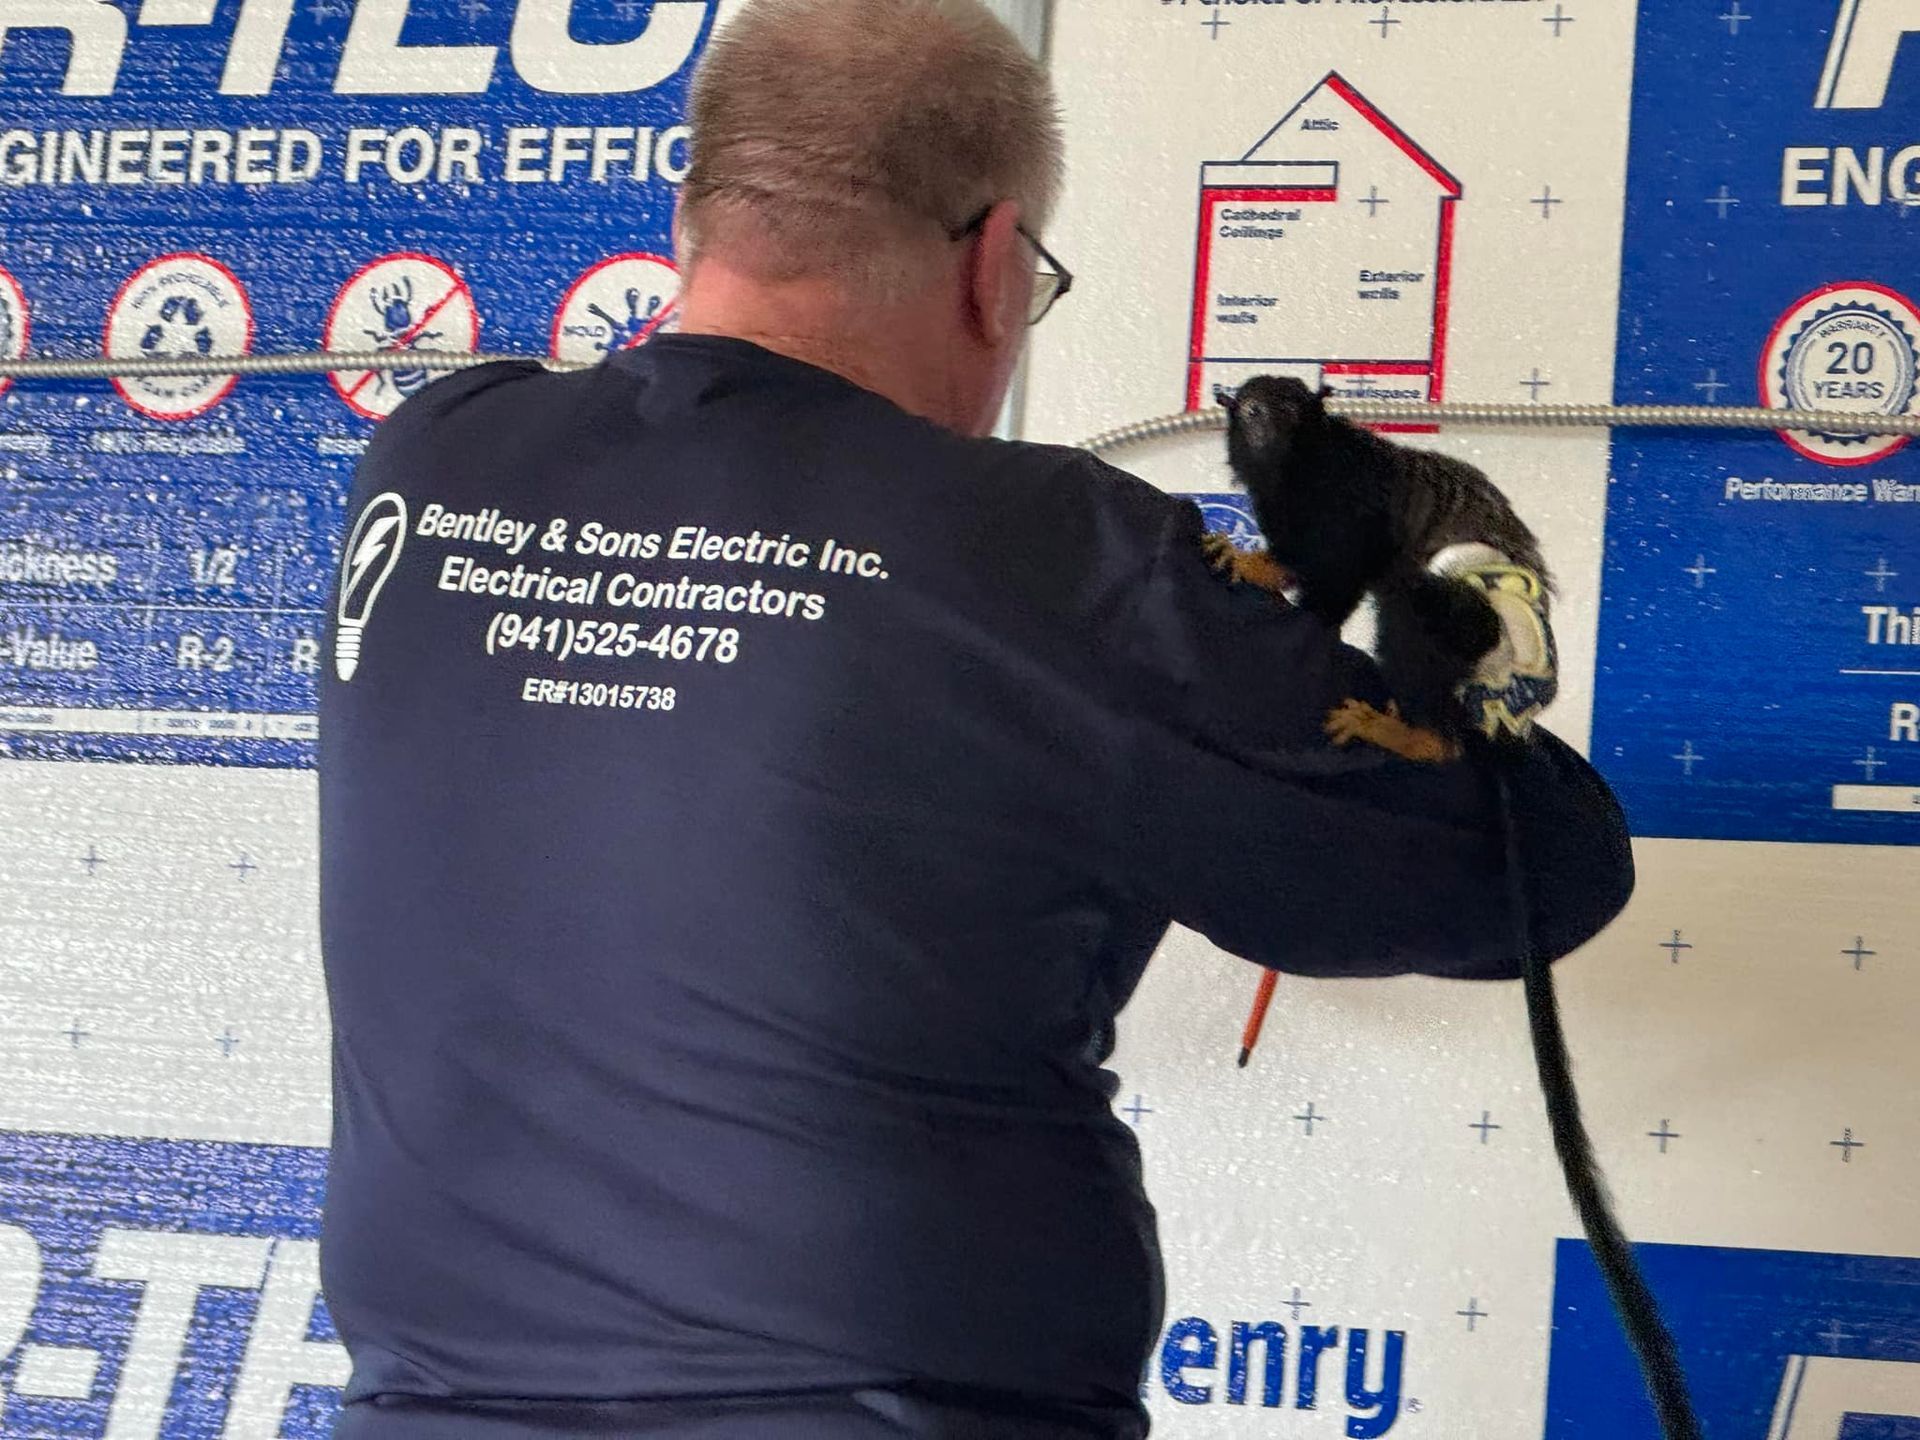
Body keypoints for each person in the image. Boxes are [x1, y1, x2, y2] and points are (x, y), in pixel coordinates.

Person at [315, 0, 1633, 1436]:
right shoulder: (1054, 557)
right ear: (998, 268)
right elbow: (1526, 871)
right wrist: (1437, 585)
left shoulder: (440, 455)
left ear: (695, 212)